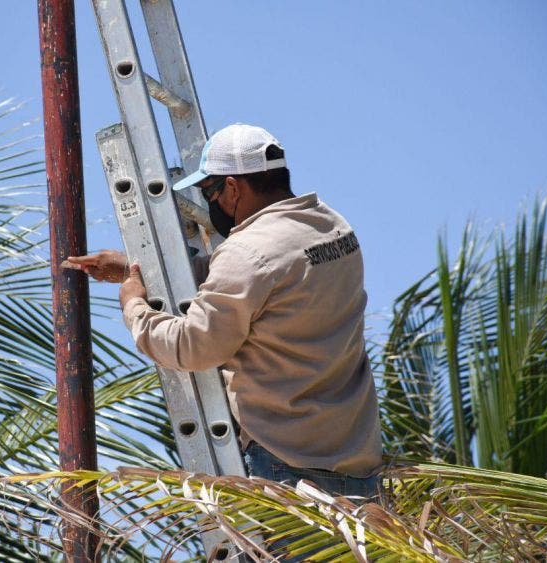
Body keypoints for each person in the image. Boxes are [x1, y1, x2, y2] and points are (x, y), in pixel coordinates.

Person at [65, 124, 383, 503]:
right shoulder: (331, 228)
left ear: (233, 187)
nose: (210, 204)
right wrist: (137, 268)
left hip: (288, 467)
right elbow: (266, 281)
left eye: (209, 192)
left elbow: (194, 346)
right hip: (356, 461)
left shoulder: (246, 252)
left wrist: (134, 306)